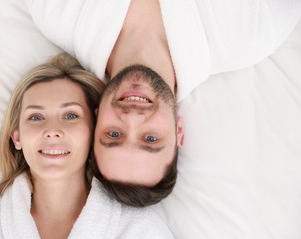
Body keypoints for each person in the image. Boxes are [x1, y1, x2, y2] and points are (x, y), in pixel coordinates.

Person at [0, 53, 189, 239]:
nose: (52, 130)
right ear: (16, 136)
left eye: (70, 115)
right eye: (35, 117)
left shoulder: (139, 233)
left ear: (92, 131)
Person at [27, 0, 301, 206]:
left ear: (96, 119)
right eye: (150, 138)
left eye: (113, 134)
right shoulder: (254, 32)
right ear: (178, 131)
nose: (132, 117)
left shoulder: (55, 12)